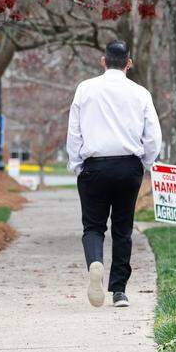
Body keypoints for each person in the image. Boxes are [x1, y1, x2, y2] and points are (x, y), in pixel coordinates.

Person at [66, 40, 161, 308]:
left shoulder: (85, 89)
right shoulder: (141, 93)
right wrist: (147, 162)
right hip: (128, 165)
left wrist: (76, 163)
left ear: (103, 61)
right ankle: (119, 291)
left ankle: (95, 261)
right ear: (128, 63)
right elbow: (152, 134)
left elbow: (75, 131)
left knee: (93, 226)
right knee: (123, 229)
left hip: (94, 166)